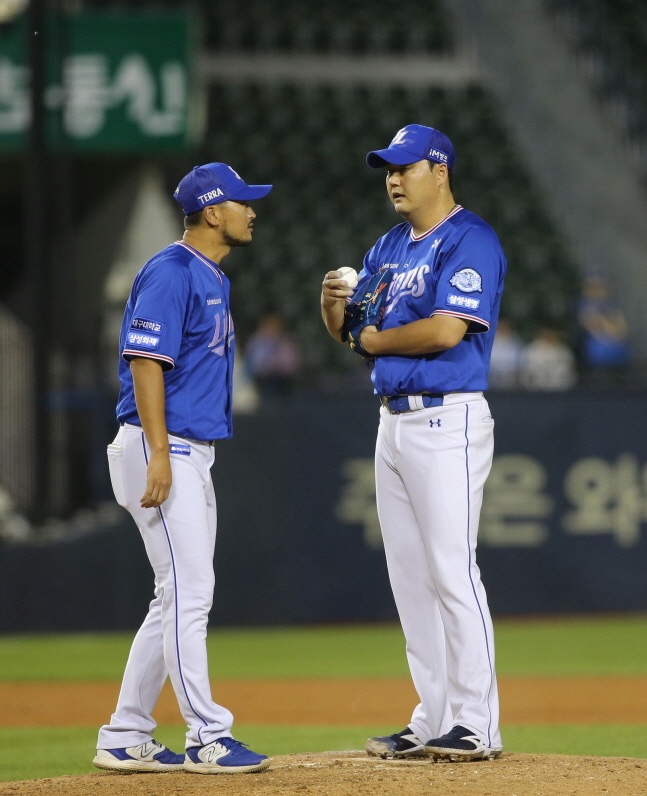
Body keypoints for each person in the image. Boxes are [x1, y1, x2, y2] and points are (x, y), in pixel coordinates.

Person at [321, 124, 505, 762]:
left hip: (447, 418)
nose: (394, 179)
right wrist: (333, 307)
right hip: (393, 422)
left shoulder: (470, 238)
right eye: (388, 170)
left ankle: (477, 722)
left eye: (405, 167)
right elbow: (351, 332)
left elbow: (448, 330)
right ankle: (434, 717)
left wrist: (371, 340)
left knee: (452, 570)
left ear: (440, 170)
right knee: (410, 579)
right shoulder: (389, 246)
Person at [94, 163, 272, 775]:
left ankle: (125, 733)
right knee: (190, 593)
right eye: (243, 202)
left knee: (173, 595)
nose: (252, 211)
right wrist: (161, 454)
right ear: (214, 212)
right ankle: (207, 736)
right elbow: (145, 362)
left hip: (183, 448)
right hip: (161, 446)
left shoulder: (207, 273)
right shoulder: (172, 271)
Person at [244, 312, 302, 399]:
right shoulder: (256, 341)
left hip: (282, 381)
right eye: (269, 325)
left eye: (275, 325)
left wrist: (277, 366)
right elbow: (251, 362)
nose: (272, 328)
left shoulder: (286, 343)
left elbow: (292, 365)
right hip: (259, 381)